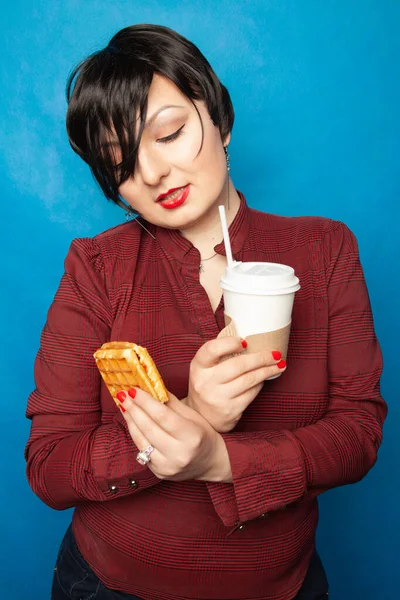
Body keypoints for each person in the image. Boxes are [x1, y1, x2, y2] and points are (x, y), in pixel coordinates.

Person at [25, 24, 387, 600]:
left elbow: (358, 433)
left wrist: (218, 458)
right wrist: (190, 416)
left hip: (281, 586)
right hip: (107, 585)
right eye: (119, 162)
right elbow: (49, 465)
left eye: (168, 133)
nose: (150, 174)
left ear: (217, 114)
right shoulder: (96, 267)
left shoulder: (325, 250)